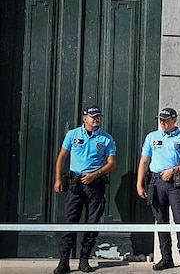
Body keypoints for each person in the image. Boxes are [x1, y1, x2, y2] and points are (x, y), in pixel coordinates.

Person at [53, 106, 117, 274]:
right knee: (70, 221)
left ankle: (84, 260)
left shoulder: (106, 139)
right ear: (84, 118)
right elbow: (61, 157)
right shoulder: (73, 135)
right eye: (92, 116)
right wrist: (58, 179)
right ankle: (64, 261)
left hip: (95, 185)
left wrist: (95, 175)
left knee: (92, 223)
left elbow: (112, 163)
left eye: (98, 116)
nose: (95, 119)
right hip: (75, 183)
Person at [136, 107, 180, 271]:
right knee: (161, 221)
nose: (162, 123)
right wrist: (139, 183)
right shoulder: (152, 137)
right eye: (160, 120)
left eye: (166, 120)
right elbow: (144, 161)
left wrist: (174, 170)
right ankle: (166, 258)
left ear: (174, 120)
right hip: (156, 183)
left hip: (175, 184)